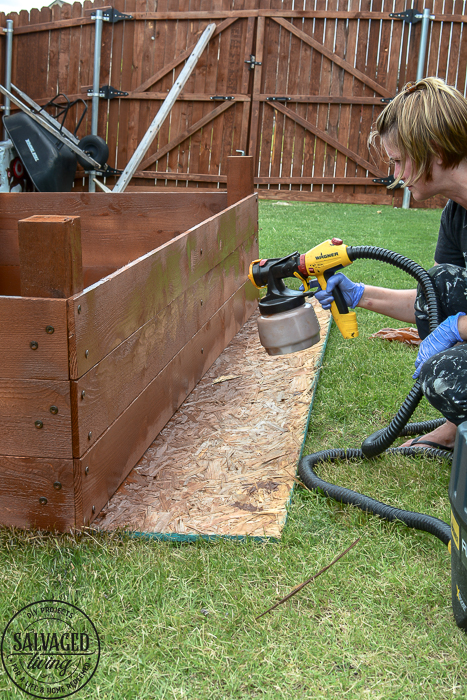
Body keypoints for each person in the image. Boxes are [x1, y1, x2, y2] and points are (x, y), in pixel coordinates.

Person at [314, 77, 467, 450]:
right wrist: (361, 295)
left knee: (443, 375)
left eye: (399, 160)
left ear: (434, 149)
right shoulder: (456, 214)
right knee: (442, 284)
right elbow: (432, 301)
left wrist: (460, 326)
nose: (396, 176)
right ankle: (453, 432)